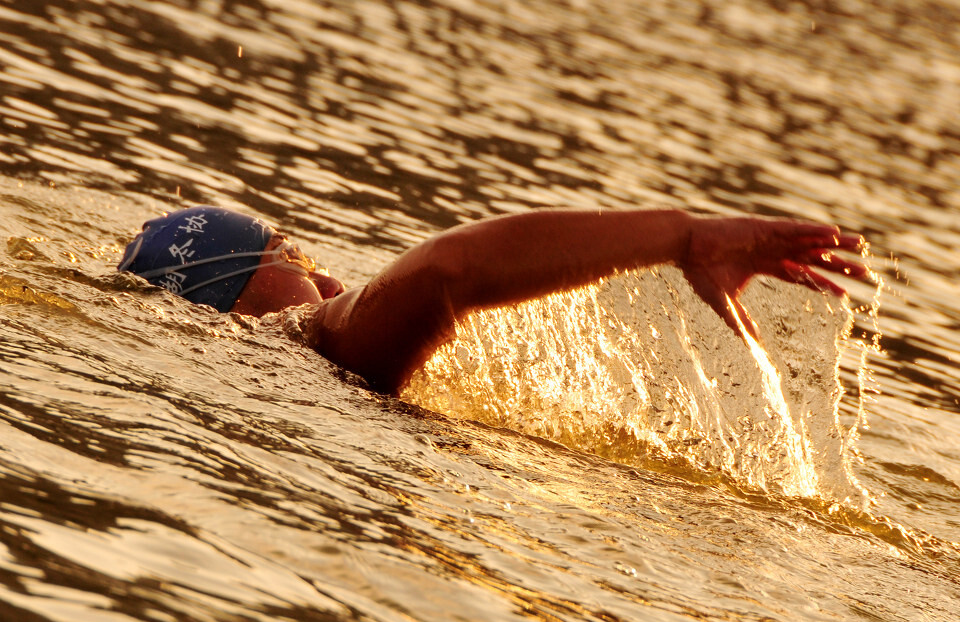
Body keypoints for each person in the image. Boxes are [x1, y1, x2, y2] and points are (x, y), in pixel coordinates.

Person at [119, 206, 867, 394]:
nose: (326, 279)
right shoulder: (312, 339)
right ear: (232, 294)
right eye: (291, 256)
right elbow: (450, 269)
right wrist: (682, 236)